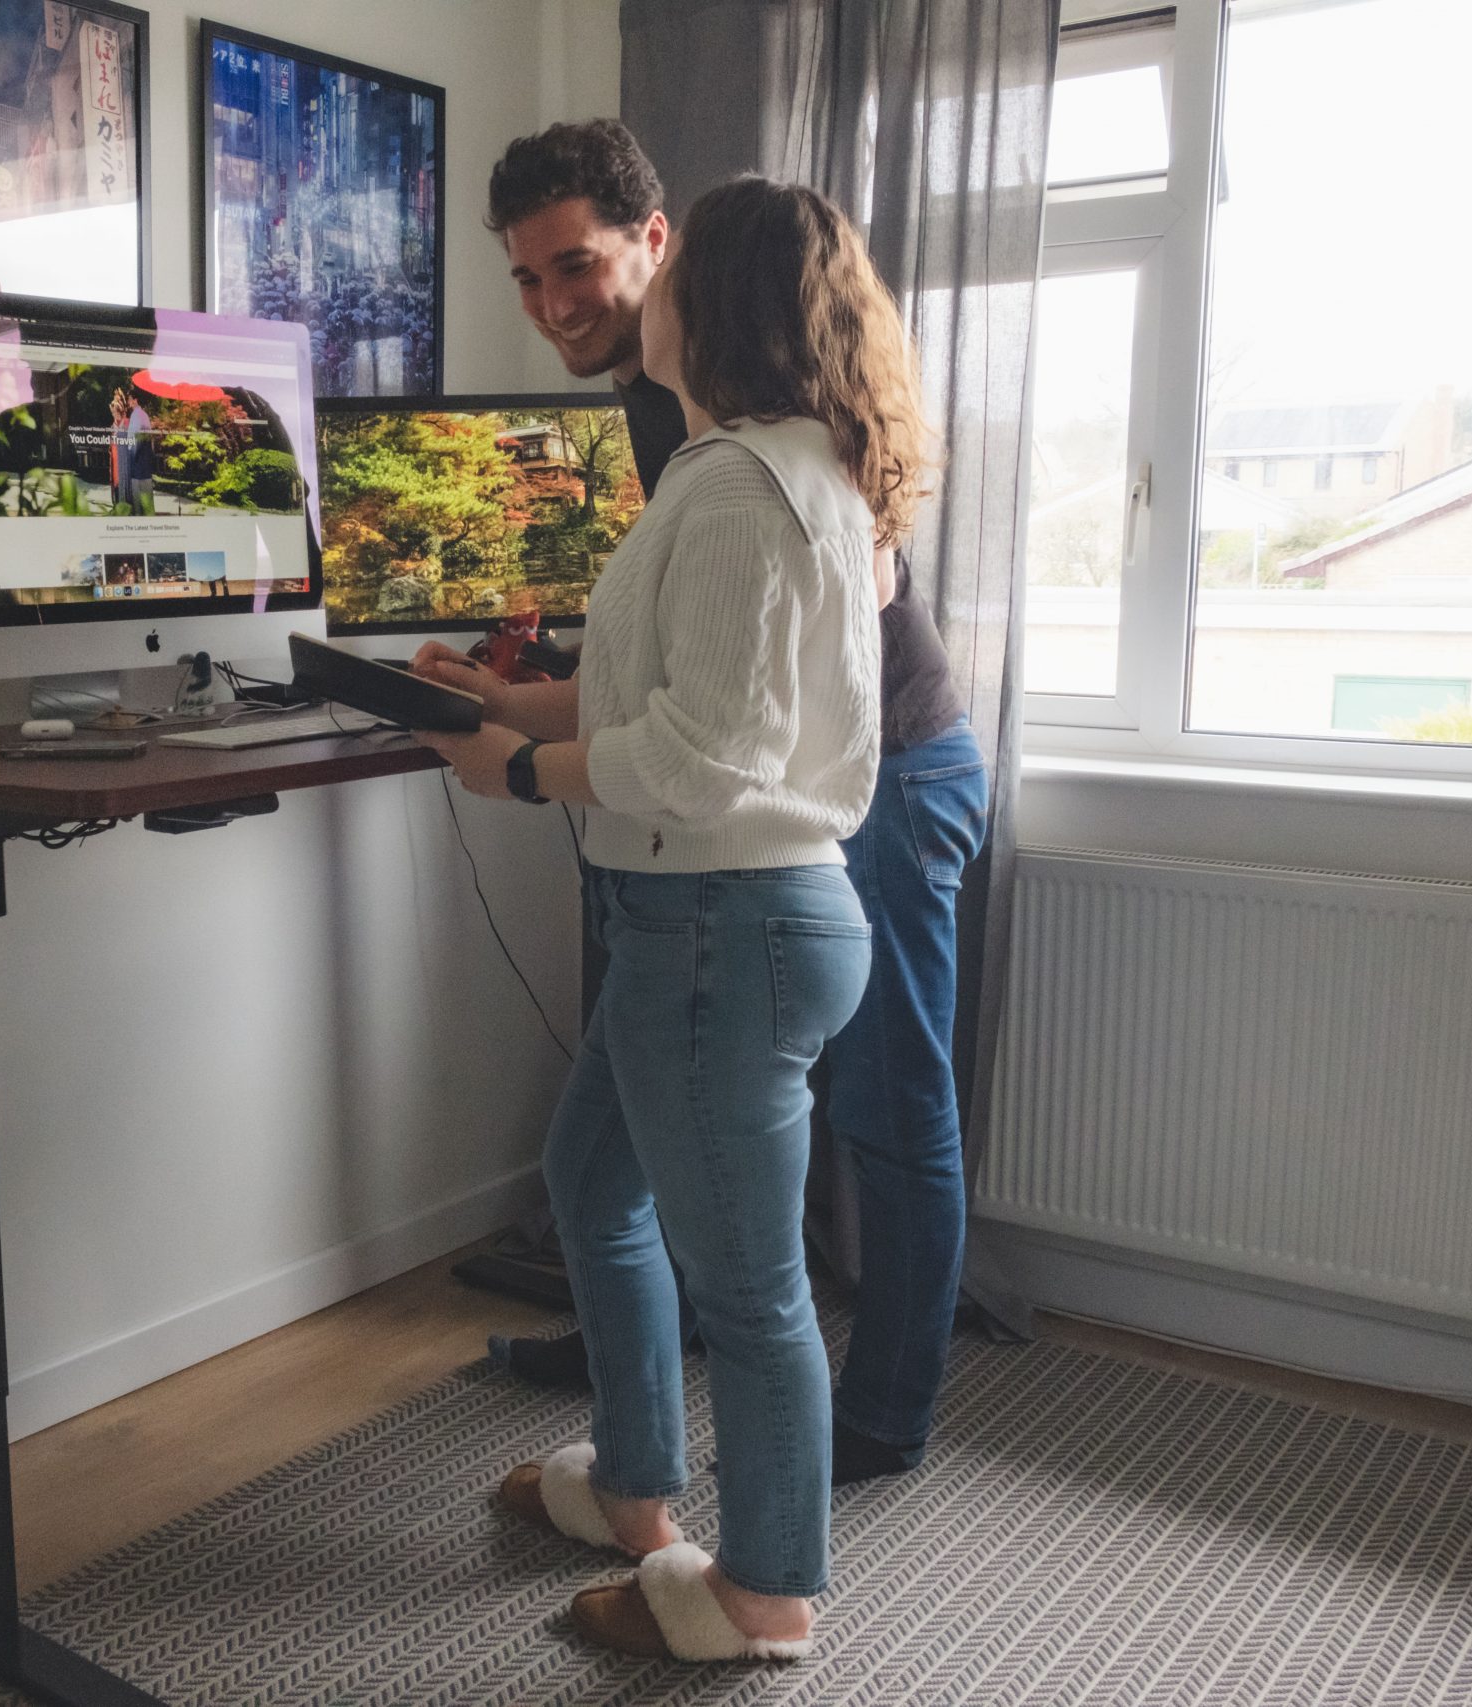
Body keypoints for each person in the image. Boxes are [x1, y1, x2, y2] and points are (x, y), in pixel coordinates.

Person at [411, 175, 928, 1661]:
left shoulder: (733, 487)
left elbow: (703, 759)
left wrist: (515, 770)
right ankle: (638, 1489)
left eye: (675, 264)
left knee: (751, 1290)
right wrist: (505, 699)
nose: (652, 284)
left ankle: (764, 1592)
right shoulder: (789, 472)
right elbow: (677, 696)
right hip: (721, 929)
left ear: (724, 299)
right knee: (593, 1182)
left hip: (723, 928)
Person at [479, 119, 987, 1495]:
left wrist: (538, 755)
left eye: (574, 267)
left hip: (864, 768)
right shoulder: (659, 402)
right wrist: (533, 689)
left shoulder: (751, 397)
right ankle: (641, 1354)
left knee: (885, 1104)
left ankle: (874, 1417)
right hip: (735, 783)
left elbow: (761, 676)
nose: (553, 306)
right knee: (640, 1114)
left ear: (664, 248)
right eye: (527, 281)